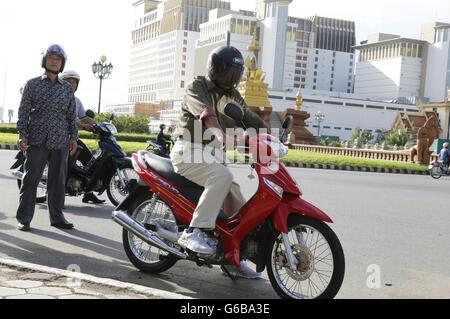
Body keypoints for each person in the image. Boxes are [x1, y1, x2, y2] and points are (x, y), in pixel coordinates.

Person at [171, 46, 267, 278]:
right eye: (228, 72)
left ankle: (232, 258)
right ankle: (195, 231)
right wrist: (220, 134)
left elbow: (250, 118)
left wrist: (271, 136)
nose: (231, 78)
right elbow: (207, 114)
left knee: (238, 205)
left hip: (213, 154)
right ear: (215, 68)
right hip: (189, 150)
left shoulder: (233, 96)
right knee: (222, 177)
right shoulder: (198, 86)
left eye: (236, 73)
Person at [16, 44, 78, 231]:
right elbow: (24, 111)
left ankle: (57, 217)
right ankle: (24, 218)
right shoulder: (32, 84)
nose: (54, 61)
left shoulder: (67, 88)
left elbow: (71, 115)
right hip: (37, 139)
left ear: (62, 63)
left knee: (58, 183)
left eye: (58, 59)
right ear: (44, 60)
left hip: (60, 141)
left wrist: (73, 137)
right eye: (51, 57)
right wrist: (22, 134)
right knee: (30, 181)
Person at [60, 70, 105, 204]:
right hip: (60, 139)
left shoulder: (76, 100)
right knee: (65, 166)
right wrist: (84, 126)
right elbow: (70, 119)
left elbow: (84, 117)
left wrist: (100, 126)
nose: (72, 84)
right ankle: (59, 191)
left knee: (91, 162)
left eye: (74, 82)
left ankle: (88, 192)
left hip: (73, 139)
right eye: (69, 81)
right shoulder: (59, 98)